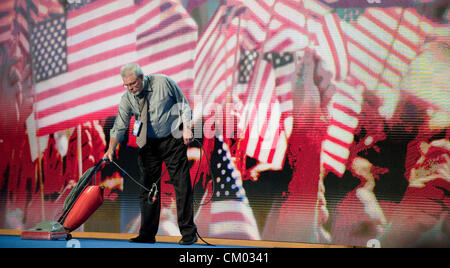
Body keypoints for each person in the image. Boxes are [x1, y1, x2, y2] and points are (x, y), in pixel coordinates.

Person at [103, 63, 197, 245]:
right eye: (126, 85)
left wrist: (186, 128)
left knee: (182, 185)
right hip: (147, 143)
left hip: (173, 138)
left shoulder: (163, 83)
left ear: (141, 78)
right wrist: (110, 149)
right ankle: (147, 234)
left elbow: (184, 106)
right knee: (148, 188)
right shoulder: (127, 98)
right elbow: (119, 126)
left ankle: (188, 233)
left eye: (133, 84)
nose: (130, 89)